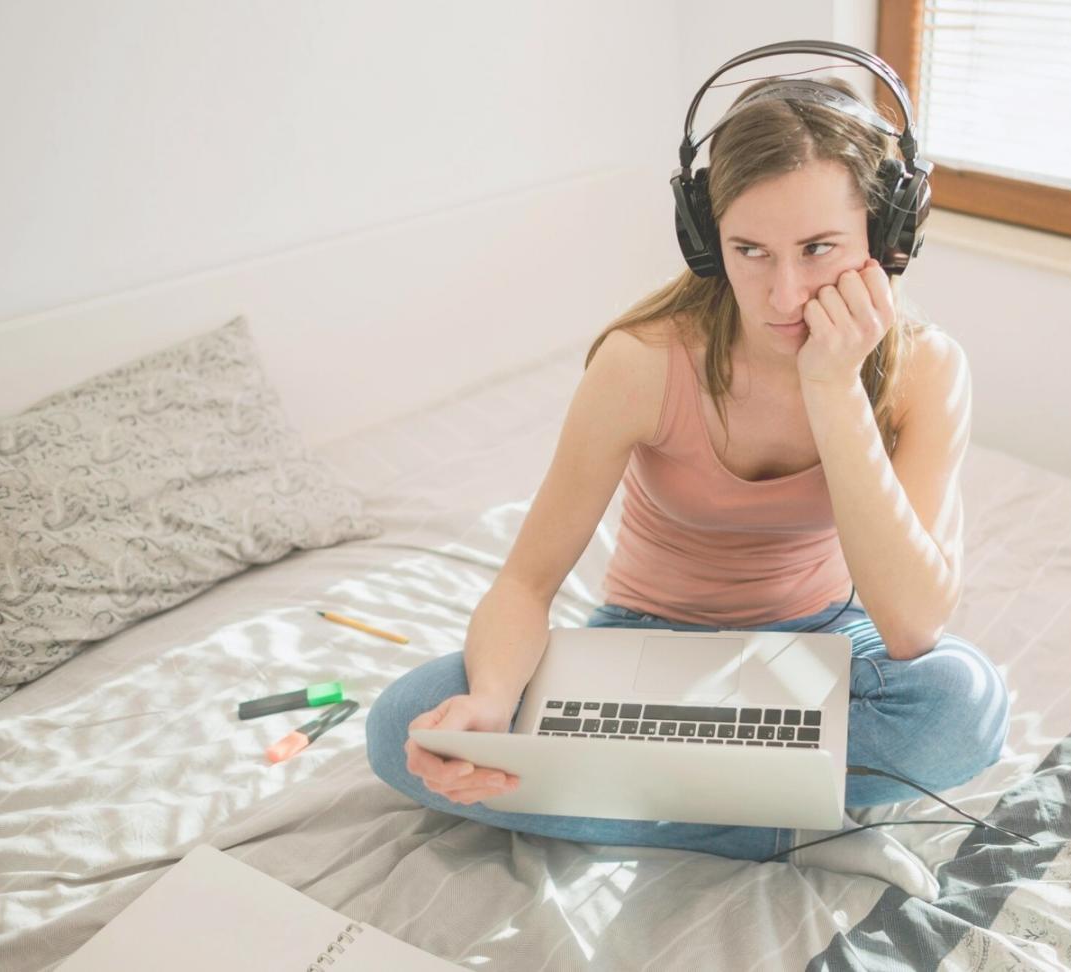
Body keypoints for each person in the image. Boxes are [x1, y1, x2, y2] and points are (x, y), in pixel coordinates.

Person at [366, 73, 1010, 874]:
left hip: (820, 641)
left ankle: (642, 792)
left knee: (963, 708)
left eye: (819, 249)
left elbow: (912, 627)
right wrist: (492, 707)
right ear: (707, 240)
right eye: (749, 251)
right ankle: (789, 825)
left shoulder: (926, 370)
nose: (784, 294)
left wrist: (834, 387)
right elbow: (526, 584)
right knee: (402, 726)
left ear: (887, 237)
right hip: (647, 646)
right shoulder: (641, 363)